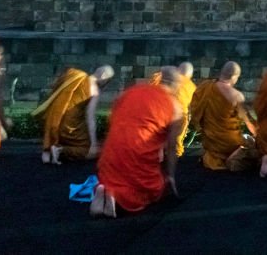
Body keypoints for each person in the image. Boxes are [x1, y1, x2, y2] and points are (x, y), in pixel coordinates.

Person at [92, 66, 184, 218]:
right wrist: (170, 176)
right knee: (153, 188)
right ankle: (116, 200)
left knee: (113, 177)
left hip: (110, 157)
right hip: (138, 156)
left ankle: (104, 192)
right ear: (177, 85)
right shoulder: (175, 106)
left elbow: (113, 120)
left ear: (160, 79)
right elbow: (172, 146)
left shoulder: (132, 91)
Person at [32, 65, 113, 164]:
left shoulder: (75, 74)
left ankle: (48, 151)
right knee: (88, 151)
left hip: (54, 119)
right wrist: (93, 143)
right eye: (108, 81)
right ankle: (61, 150)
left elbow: (56, 88)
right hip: (70, 127)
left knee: (46, 159)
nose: (106, 84)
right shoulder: (94, 90)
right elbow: (90, 118)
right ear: (104, 76)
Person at [189, 61, 257, 170]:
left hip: (210, 140)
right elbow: (248, 121)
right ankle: (234, 157)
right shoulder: (236, 96)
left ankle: (219, 157)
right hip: (231, 142)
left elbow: (194, 109)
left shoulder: (205, 87)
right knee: (251, 144)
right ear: (234, 77)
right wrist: (258, 135)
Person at [150, 62, 196, 157]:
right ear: (190, 75)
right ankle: (175, 161)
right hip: (178, 118)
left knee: (157, 141)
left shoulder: (159, 78)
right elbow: (194, 106)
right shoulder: (191, 86)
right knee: (175, 143)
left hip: (157, 114)